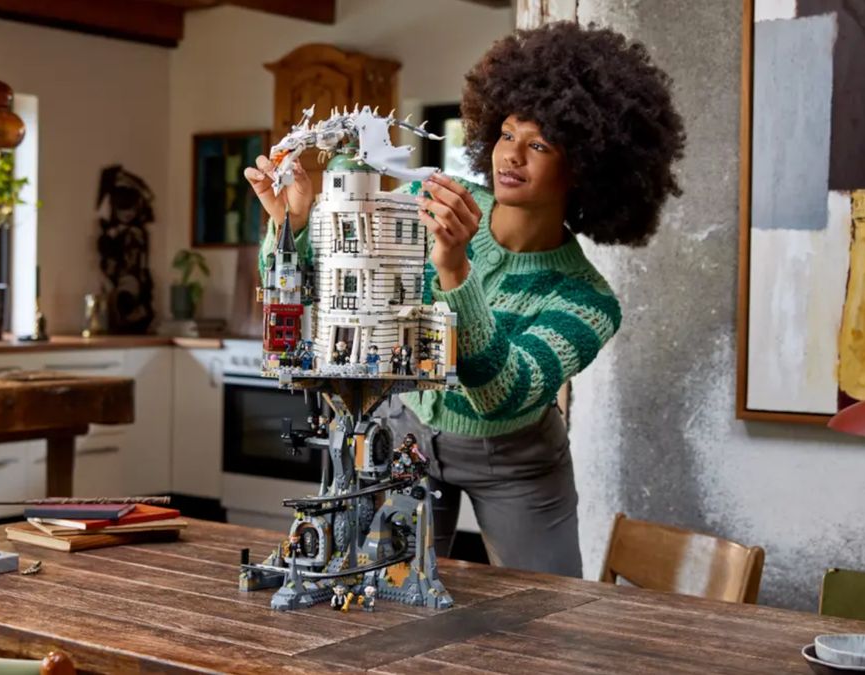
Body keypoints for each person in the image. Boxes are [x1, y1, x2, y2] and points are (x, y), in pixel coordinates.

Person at [247, 23, 684, 577]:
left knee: (547, 613)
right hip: (407, 434)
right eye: (506, 133)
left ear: (588, 167)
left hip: (516, 459)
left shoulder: (587, 300)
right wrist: (293, 225)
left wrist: (455, 270)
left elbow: (500, 395)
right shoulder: (427, 200)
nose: (511, 155)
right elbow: (323, 292)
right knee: (386, 600)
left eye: (540, 144)